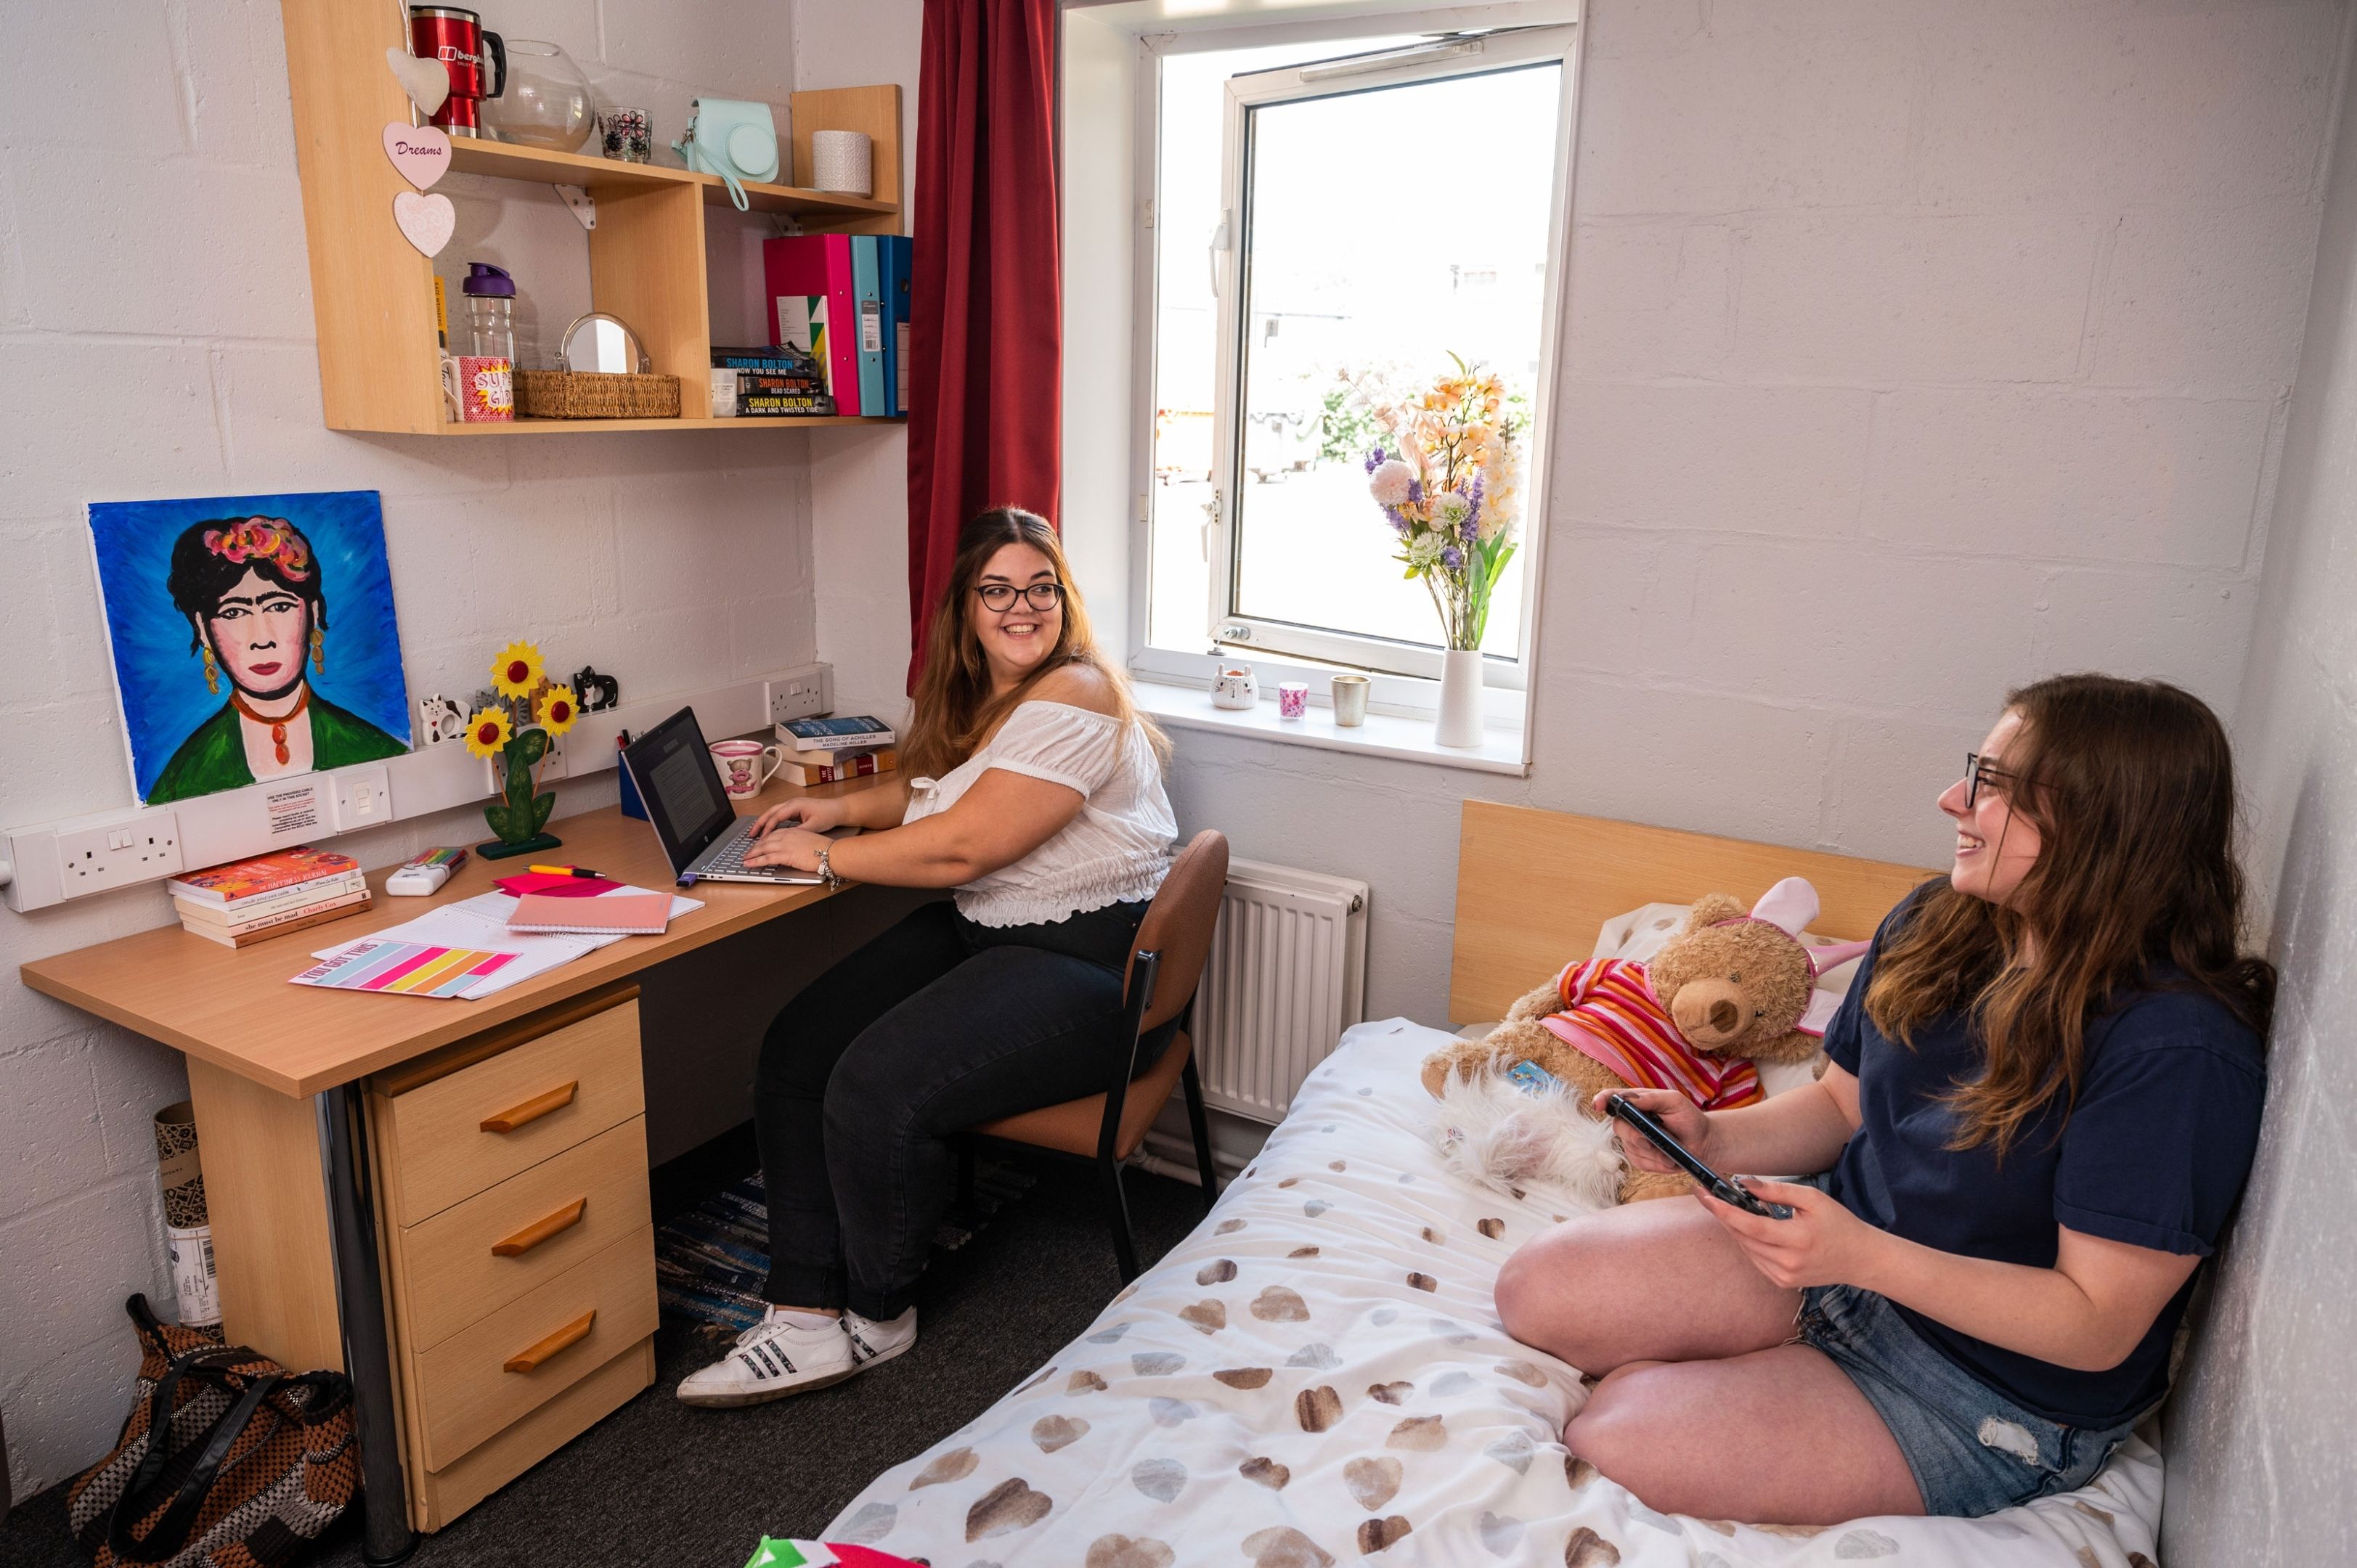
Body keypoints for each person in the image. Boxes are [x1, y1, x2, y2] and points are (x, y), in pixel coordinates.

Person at [1493, 674, 2273, 1524]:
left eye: (1992, 786)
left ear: (2099, 826)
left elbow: (2096, 1324)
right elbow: (1839, 1108)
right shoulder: (1947, 921)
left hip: (1981, 1386)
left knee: (1616, 1434)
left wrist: (1862, 1257)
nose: (1952, 800)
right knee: (1535, 1290)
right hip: (1845, 1258)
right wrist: (1713, 1137)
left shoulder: (2175, 1050)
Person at [677, 507, 1178, 1407]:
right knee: (799, 1047)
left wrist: (826, 859)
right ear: (966, 608)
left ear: (1064, 600)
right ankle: (801, 1312)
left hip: (1090, 959)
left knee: (874, 1083)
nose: (1021, 607)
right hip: (1005, 922)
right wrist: (840, 812)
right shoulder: (1000, 697)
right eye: (998, 590)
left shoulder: (1079, 694)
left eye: (1041, 588)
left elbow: (960, 850)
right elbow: (935, 795)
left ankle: (875, 1313)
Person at [147, 515, 407, 803]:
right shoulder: (183, 775)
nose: (262, 638)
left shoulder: (371, 747)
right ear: (203, 630)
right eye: (234, 613)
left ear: (313, 613)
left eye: (279, 606)